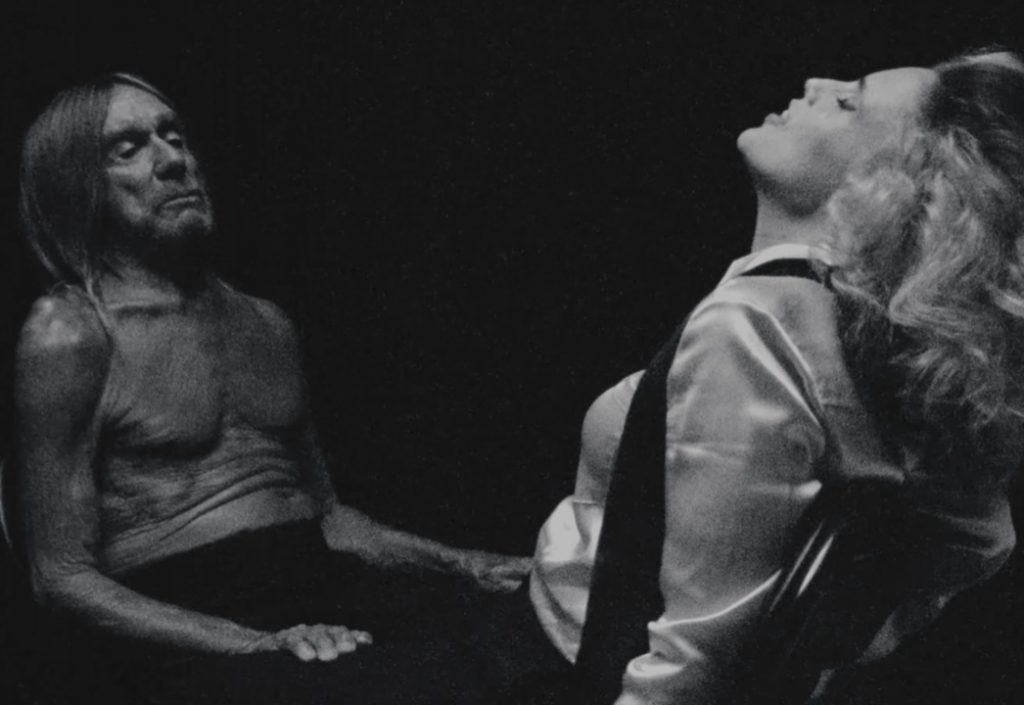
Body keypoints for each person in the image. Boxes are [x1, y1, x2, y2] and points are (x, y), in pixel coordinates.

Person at [492, 47, 1024, 705]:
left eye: (848, 101)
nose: (816, 82)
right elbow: (982, 540)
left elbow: (696, 669)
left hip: (547, 672)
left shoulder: (757, 323)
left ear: (897, 186)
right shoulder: (872, 339)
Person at [11, 73, 531, 703]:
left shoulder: (265, 323)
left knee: (536, 632)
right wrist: (251, 643)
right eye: (128, 149)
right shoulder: (70, 334)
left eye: (174, 136)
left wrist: (467, 565)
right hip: (188, 620)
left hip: (318, 584)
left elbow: (331, 519)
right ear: (76, 186)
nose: (173, 160)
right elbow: (61, 576)